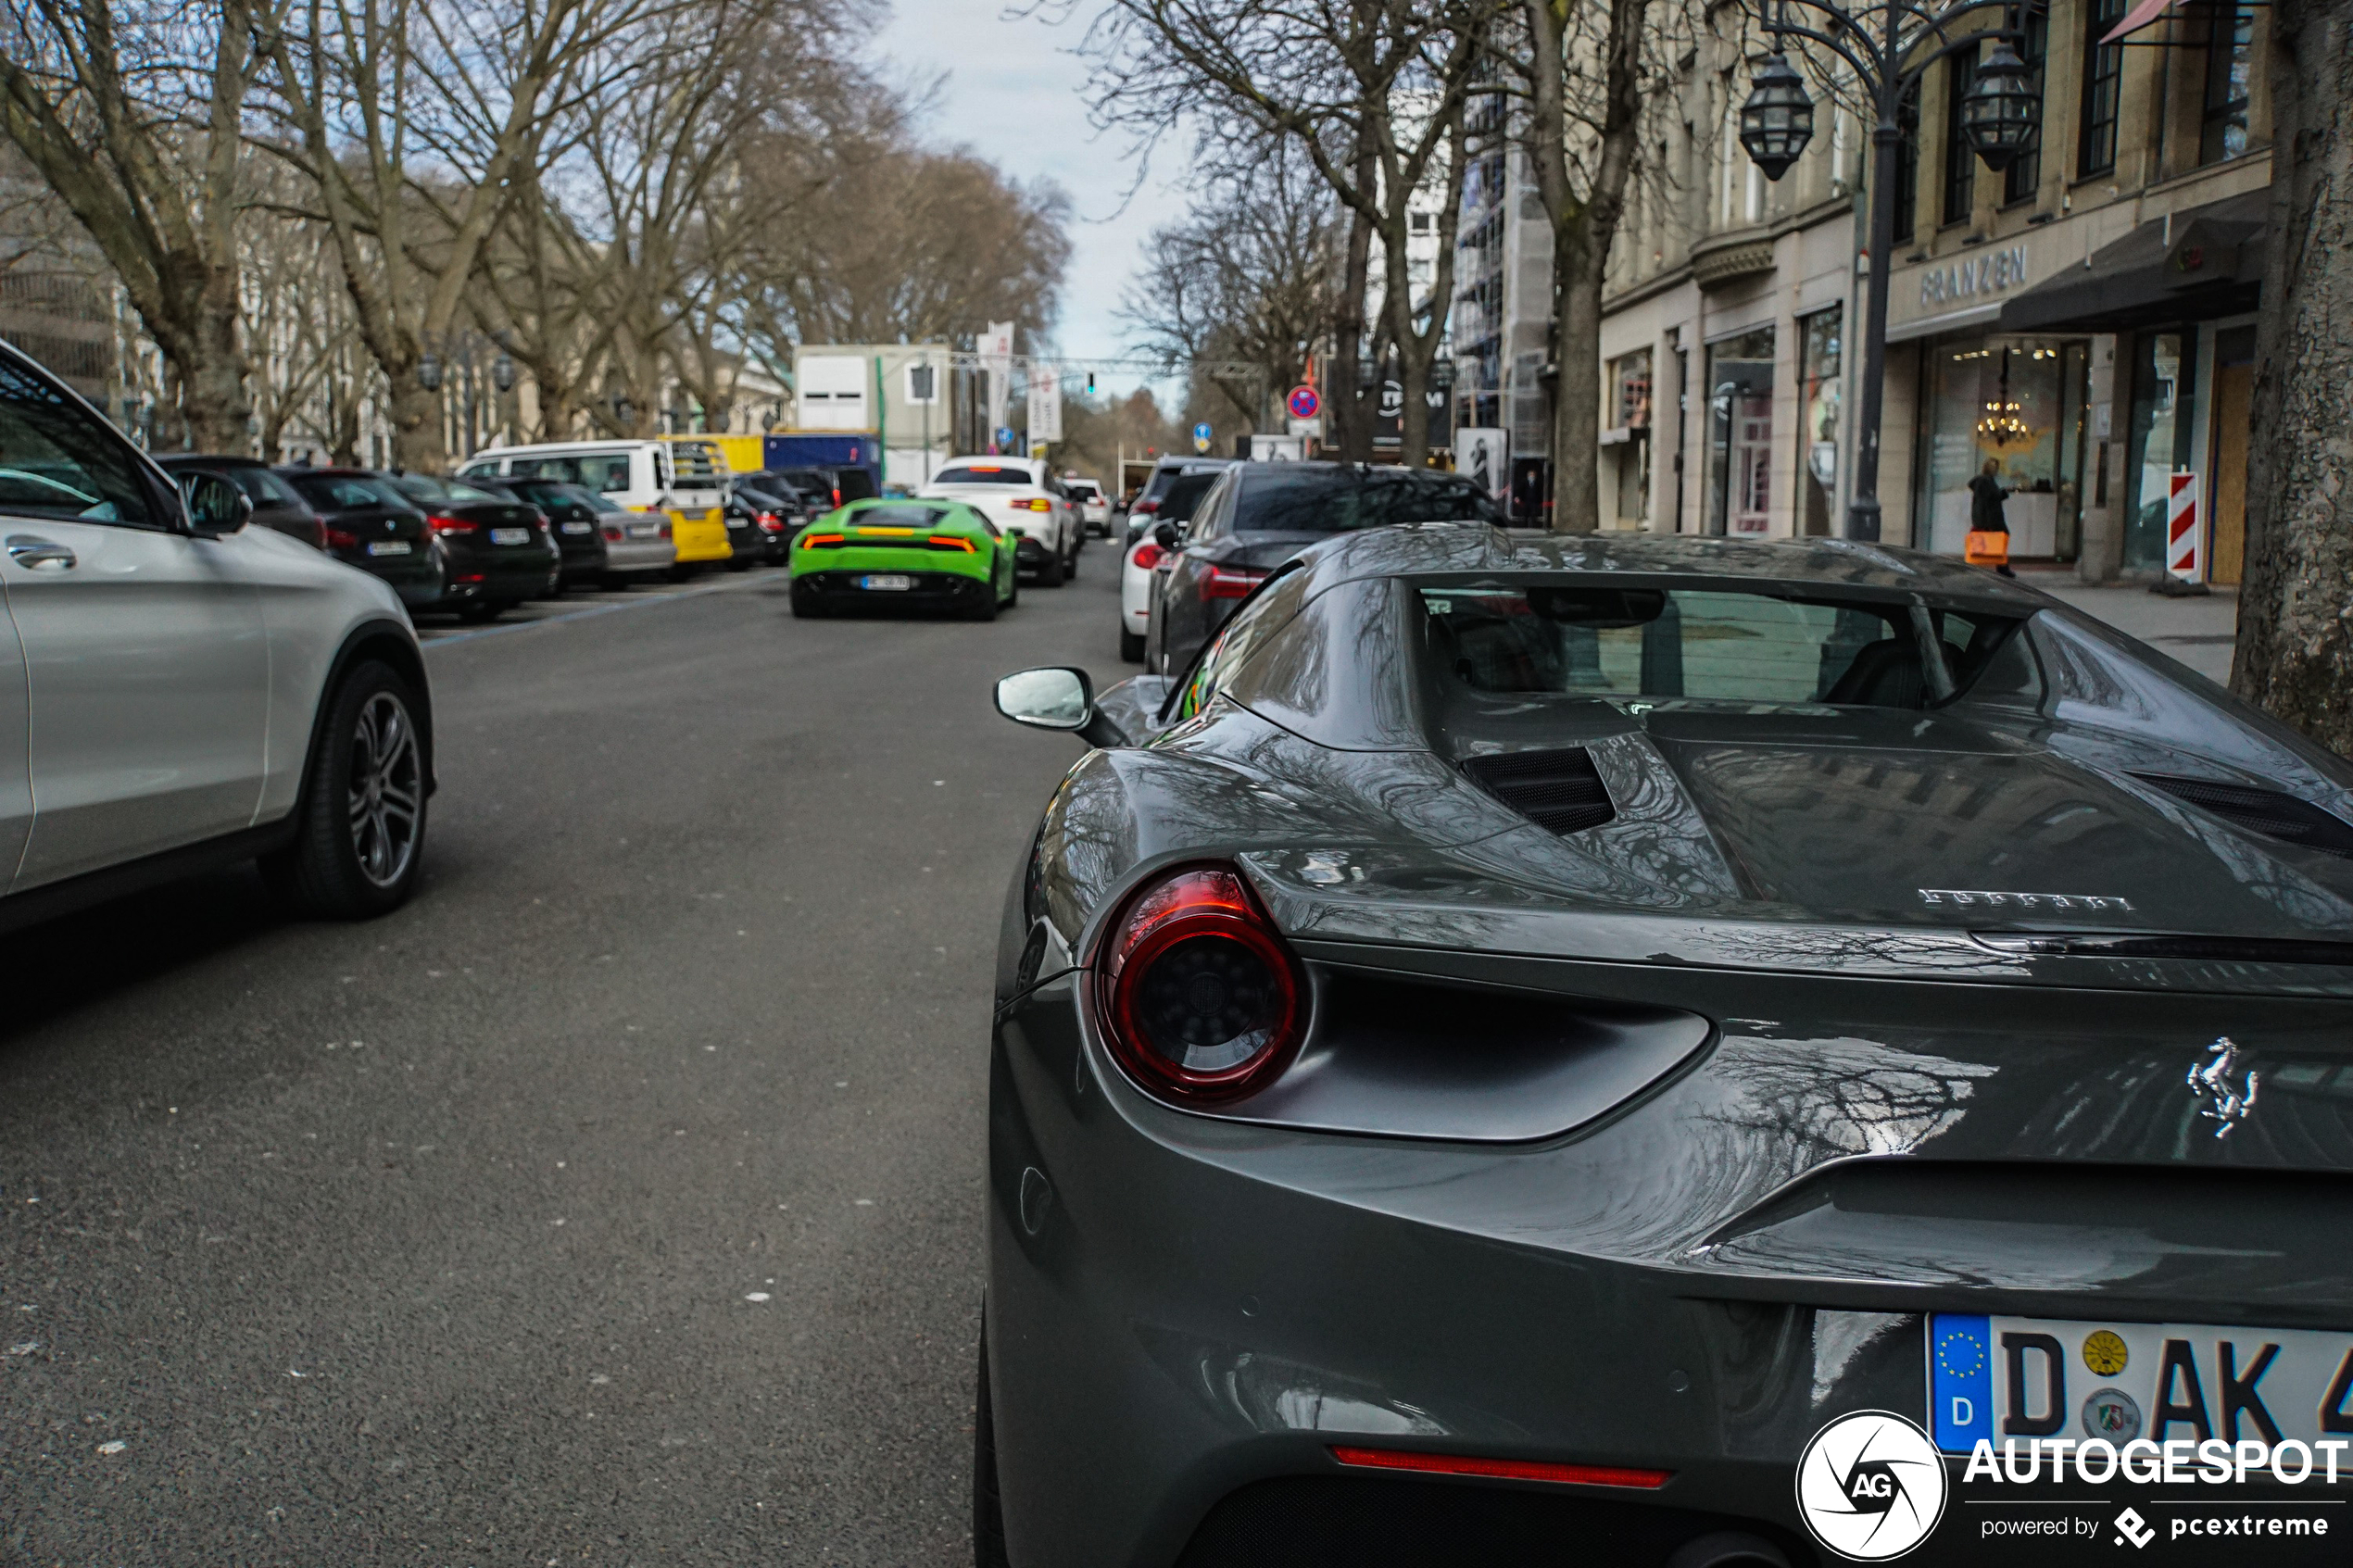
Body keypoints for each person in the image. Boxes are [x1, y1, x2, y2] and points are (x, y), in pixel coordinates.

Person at [1968, 457, 2016, 577]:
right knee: (2002, 539)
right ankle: (2002, 567)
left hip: (1989, 519)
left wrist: (2003, 492)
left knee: (2001, 540)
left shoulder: (1983, 482)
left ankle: (2002, 567)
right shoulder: (1986, 482)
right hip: (1992, 519)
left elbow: (1990, 499)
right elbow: (1990, 501)